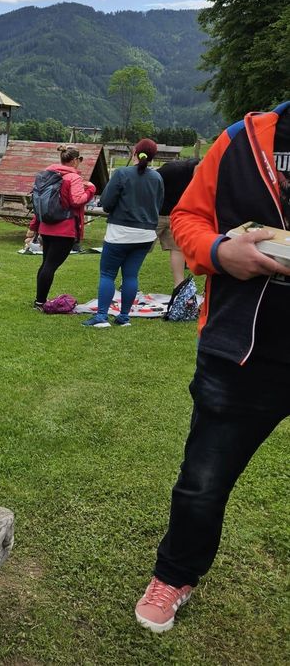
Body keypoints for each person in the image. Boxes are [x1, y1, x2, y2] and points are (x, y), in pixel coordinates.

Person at [134, 103, 290, 633]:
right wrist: (222, 253)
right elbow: (187, 218)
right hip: (242, 347)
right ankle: (174, 575)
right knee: (202, 481)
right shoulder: (243, 140)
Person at [83, 139, 164, 327]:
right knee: (130, 276)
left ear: (134, 152)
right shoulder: (157, 178)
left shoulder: (122, 173)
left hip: (120, 233)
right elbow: (158, 205)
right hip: (145, 234)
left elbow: (107, 202)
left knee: (107, 274)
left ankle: (102, 316)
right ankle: (124, 316)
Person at [30, 146, 96, 309]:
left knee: (46, 263)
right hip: (64, 229)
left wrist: (34, 226)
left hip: (46, 227)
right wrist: (91, 190)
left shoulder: (49, 173)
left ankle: (40, 300)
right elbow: (76, 200)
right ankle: (40, 302)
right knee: (51, 265)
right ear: (74, 160)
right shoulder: (72, 177)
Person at [155, 157, 200, 289]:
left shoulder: (201, 179)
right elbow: (151, 181)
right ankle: (128, 280)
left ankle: (179, 286)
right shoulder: (172, 169)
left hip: (176, 218)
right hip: (156, 215)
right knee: (141, 248)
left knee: (177, 250)